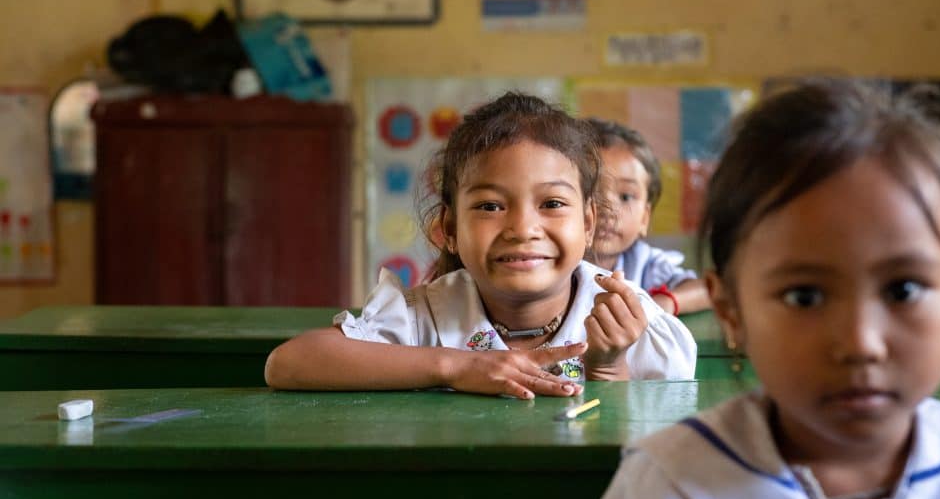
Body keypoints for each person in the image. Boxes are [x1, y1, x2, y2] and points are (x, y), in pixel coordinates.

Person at [560, 79, 940, 499]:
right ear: (731, 309)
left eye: (904, 291)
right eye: (805, 296)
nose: (861, 344)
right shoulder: (669, 485)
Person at [265, 92, 697, 398]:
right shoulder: (424, 316)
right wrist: (456, 365)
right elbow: (287, 364)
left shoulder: (626, 319)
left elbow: (641, 439)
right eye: (490, 206)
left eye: (551, 203)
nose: (522, 228)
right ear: (449, 227)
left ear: (588, 223)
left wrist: (606, 366)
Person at [586, 117, 710, 315]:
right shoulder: (548, 262)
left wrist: (665, 302)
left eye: (626, 196)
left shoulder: (646, 265)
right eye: (589, 192)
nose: (608, 210)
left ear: (645, 217)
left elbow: (706, 291)